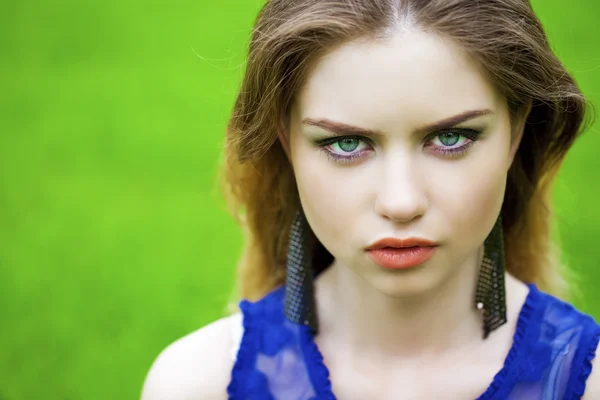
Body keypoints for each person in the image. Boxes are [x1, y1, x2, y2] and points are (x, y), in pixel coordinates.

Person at [141, 0, 600, 399]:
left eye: (452, 137)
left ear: (515, 132)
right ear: (286, 141)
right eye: (346, 144)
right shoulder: (197, 386)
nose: (401, 203)